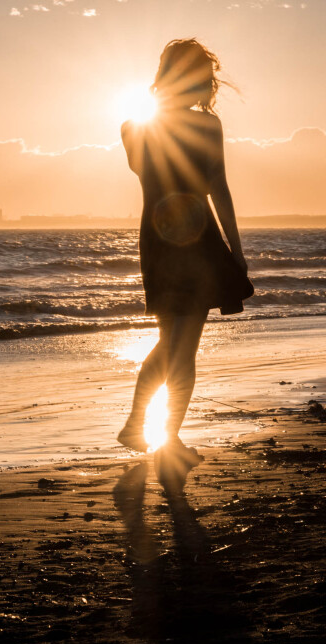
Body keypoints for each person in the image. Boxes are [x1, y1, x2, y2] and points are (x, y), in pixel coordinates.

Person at [117, 38, 253, 459]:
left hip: (157, 238)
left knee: (169, 341)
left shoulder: (134, 126)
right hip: (195, 240)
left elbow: (145, 172)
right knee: (183, 345)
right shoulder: (206, 126)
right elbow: (218, 188)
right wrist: (236, 249)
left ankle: (143, 426)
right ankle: (159, 433)